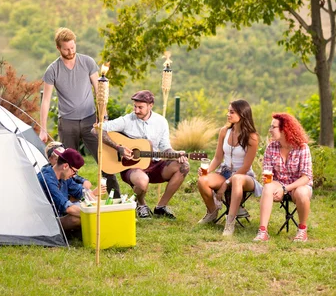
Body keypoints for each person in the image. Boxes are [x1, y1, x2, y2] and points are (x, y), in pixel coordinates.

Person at [39, 27, 120, 197]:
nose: (70, 51)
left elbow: (100, 90)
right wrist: (43, 128)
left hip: (91, 120)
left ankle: (116, 198)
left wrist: (103, 115)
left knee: (105, 161)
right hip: (67, 123)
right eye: (66, 49)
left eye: (73, 47)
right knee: (67, 165)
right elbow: (46, 100)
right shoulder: (52, 70)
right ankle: (71, 202)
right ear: (58, 48)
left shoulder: (88, 62)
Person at [98, 90, 189, 219]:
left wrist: (176, 154)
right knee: (142, 181)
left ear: (150, 105)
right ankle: (141, 205)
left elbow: (165, 147)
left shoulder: (161, 121)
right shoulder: (127, 120)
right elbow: (97, 129)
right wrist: (118, 148)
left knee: (183, 166)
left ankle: (161, 207)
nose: (136, 110)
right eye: (135, 106)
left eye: (140, 107)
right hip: (132, 166)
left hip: (155, 164)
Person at [197, 99, 261, 236]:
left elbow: (246, 166)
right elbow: (218, 158)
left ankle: (230, 223)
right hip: (224, 172)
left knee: (237, 178)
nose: (228, 114)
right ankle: (212, 212)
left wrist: (226, 183)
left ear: (242, 114)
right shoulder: (224, 131)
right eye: (228, 111)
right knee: (203, 180)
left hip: (244, 176)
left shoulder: (252, 137)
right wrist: (207, 171)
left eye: (231, 112)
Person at [253, 113, 313, 243]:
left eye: (273, 127)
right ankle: (263, 231)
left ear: (285, 129)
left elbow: (306, 177)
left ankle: (302, 230)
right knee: (268, 187)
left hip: (299, 186)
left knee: (302, 192)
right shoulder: (271, 147)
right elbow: (268, 173)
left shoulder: (302, 147)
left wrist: (284, 189)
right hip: (279, 183)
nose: (270, 130)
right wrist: (272, 183)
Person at [37, 148, 105, 236]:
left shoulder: (64, 177)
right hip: (45, 221)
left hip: (59, 215)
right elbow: (68, 208)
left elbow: (81, 192)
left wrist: (93, 199)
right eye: (74, 171)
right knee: (76, 219)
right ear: (65, 166)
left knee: (82, 208)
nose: (74, 175)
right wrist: (96, 215)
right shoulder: (46, 179)